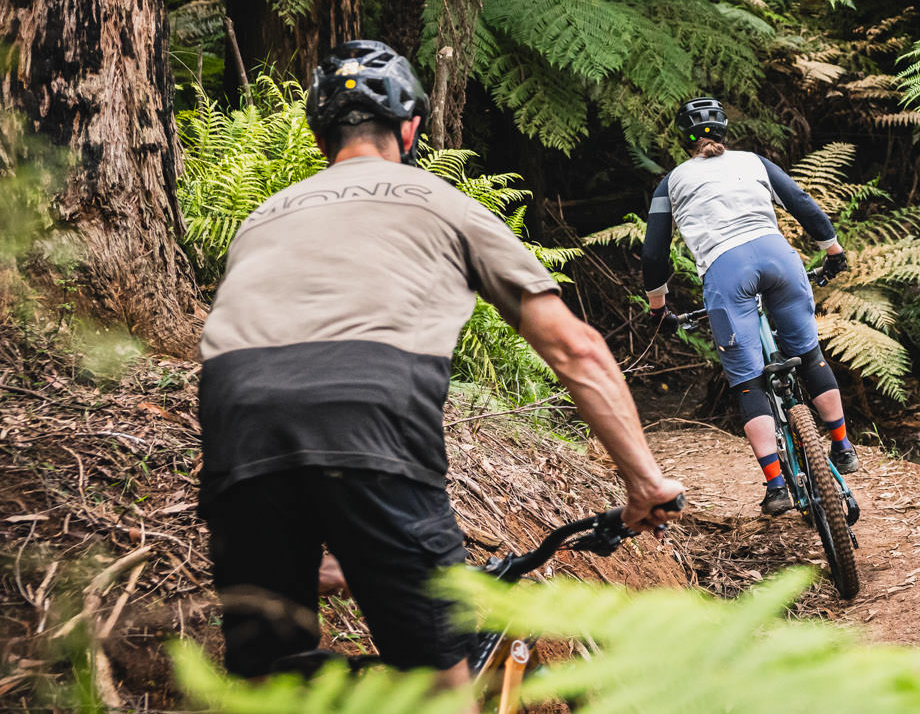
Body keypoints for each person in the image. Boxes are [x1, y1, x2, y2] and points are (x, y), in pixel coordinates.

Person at [198, 40, 685, 690]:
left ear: (320, 137)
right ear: (411, 128)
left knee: (271, 681)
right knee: (438, 682)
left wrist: (323, 529)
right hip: (374, 428)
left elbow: (280, 377)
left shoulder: (260, 219)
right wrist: (645, 482)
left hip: (237, 438)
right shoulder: (437, 199)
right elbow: (576, 348)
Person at [641, 97, 857, 516]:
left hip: (727, 271)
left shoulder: (671, 182)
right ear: (724, 131)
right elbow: (801, 201)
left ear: (682, 138)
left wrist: (658, 309)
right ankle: (843, 445)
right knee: (809, 354)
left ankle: (776, 486)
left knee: (747, 382)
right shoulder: (754, 162)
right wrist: (832, 250)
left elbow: (653, 255)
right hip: (779, 256)